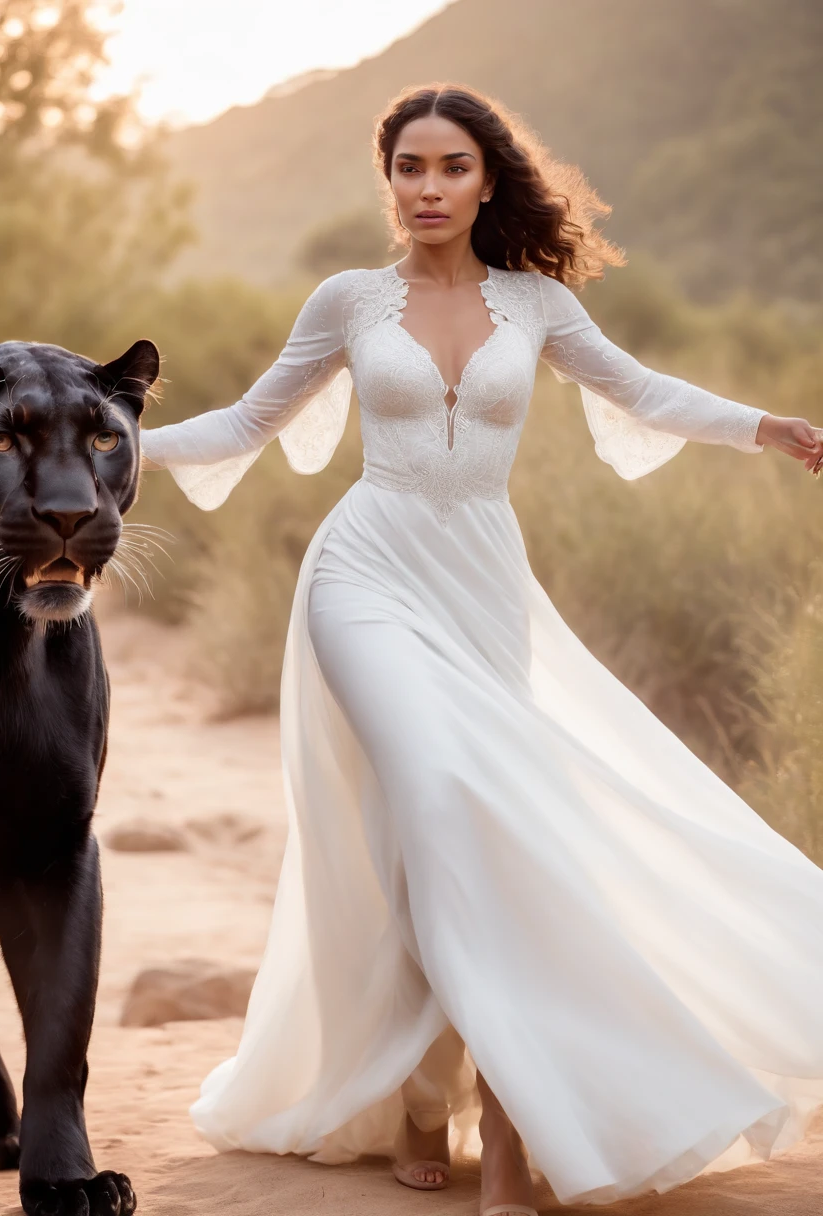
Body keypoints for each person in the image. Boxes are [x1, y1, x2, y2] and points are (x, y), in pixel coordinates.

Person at [139, 83, 823, 1215]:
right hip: (364, 577)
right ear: (388, 180)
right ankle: (486, 1131)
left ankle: (444, 1093)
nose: (427, 188)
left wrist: (766, 427)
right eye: (408, 167)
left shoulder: (537, 304)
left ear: (487, 179)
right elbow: (247, 423)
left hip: (483, 586)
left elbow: (639, 390)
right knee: (446, 794)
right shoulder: (349, 300)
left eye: (450, 167)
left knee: (472, 832)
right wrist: (97, 440)